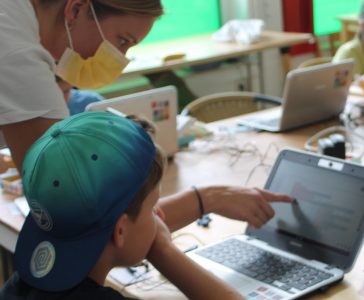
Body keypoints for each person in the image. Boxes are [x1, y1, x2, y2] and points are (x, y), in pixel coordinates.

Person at [0, 0, 293, 293]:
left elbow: (94, 212)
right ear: (75, 9)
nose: (120, 58)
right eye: (122, 41)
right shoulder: (15, 51)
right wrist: (168, 241)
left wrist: (209, 198)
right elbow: (77, 204)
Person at [0, 112, 243, 299]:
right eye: (153, 208)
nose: (160, 215)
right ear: (120, 230)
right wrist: (165, 250)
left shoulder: (21, 284)